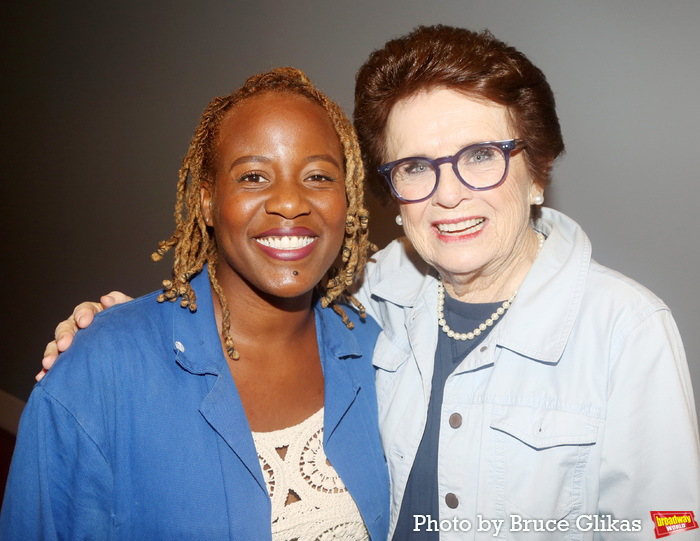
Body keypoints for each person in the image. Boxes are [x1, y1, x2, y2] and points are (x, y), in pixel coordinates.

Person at [36, 25, 700, 539]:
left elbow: (674, 523)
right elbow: (256, 287)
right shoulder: (375, 295)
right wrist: (116, 332)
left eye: (479, 157)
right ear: (390, 193)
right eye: (415, 166)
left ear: (537, 171)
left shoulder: (628, 332)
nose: (448, 195)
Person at [1, 67, 390, 540]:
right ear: (207, 201)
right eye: (253, 176)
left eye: (317, 176)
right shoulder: (98, 372)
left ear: (346, 200)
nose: (290, 202)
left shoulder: (381, 356)